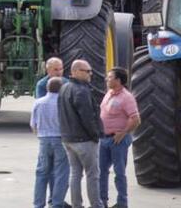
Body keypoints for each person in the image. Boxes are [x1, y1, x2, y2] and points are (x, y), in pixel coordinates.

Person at [59, 60, 101, 208]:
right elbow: (87, 118)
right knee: (92, 175)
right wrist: (95, 135)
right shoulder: (81, 91)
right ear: (75, 71)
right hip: (84, 140)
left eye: (90, 71)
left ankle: (77, 204)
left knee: (75, 173)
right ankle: (96, 205)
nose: (90, 74)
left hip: (68, 139)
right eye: (87, 71)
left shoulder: (64, 88)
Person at [99, 67, 141, 208]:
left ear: (118, 80)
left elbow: (135, 119)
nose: (107, 79)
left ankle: (122, 203)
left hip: (118, 140)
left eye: (109, 77)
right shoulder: (109, 94)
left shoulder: (126, 97)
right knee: (101, 172)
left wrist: (123, 133)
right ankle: (102, 202)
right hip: (104, 139)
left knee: (119, 173)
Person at [32, 77, 69, 208]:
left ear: (47, 88)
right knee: (61, 173)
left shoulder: (38, 103)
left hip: (44, 140)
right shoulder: (64, 103)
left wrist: (41, 136)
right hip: (61, 140)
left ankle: (38, 204)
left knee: (42, 173)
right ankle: (56, 204)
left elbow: (33, 125)